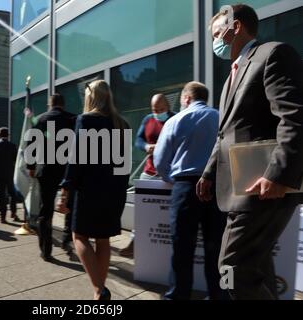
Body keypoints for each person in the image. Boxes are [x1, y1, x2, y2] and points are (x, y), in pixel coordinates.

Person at [197, 4, 303, 300]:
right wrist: (208, 173)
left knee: (230, 267)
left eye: (218, 33)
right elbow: (225, 133)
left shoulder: (273, 54)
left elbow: (294, 116)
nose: (215, 42)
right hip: (241, 184)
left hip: (265, 185)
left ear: (237, 26)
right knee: (254, 262)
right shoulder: (232, 75)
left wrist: (278, 173)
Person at [56, 80, 130, 300]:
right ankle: (99, 292)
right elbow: (123, 167)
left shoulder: (85, 120)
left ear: (91, 98)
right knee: (103, 239)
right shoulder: (122, 124)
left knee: (79, 236)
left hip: (89, 190)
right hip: (114, 192)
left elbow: (76, 159)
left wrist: (65, 192)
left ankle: (99, 289)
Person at [154, 82, 228, 300]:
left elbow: (160, 161)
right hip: (218, 187)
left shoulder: (176, 120)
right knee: (217, 247)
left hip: (185, 188)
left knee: (182, 246)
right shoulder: (221, 117)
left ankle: (178, 295)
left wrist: (171, 178)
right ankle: (220, 295)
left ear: (186, 98)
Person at [119, 94, 175, 258]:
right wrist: (146, 146)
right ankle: (134, 244)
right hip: (149, 171)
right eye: (154, 110)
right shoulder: (148, 119)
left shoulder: (175, 119)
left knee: (166, 212)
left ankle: (164, 247)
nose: (157, 113)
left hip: (168, 173)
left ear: (168, 107)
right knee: (141, 210)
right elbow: (138, 140)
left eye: (161, 109)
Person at [26, 93, 76, 262]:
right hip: (67, 170)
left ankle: (46, 250)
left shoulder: (40, 120)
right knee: (69, 206)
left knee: (45, 210)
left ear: (50, 104)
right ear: (64, 104)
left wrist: (31, 166)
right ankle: (67, 239)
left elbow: (31, 144)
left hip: (46, 170)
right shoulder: (73, 119)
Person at [0, 127, 19, 223]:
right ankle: (13, 213)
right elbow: (16, 160)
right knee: (12, 194)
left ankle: (2, 217)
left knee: (1, 194)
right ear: (8, 135)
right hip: (10, 173)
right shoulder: (13, 146)